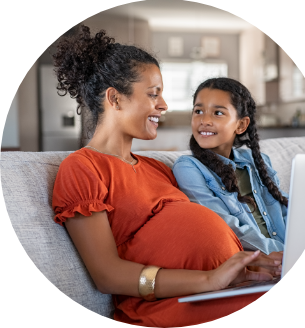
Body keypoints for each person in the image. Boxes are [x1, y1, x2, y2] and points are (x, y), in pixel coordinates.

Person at [51, 26, 282, 328]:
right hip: (169, 305)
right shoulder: (82, 167)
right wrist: (208, 279)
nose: (164, 105)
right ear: (115, 99)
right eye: (153, 94)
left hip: (221, 290)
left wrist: (249, 267)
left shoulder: (156, 168)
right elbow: (106, 275)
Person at [173, 77, 289, 257]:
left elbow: (286, 211)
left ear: (241, 125)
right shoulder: (188, 168)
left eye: (217, 113)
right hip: (259, 262)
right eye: (198, 111)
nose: (204, 120)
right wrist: (283, 253)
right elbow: (224, 225)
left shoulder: (258, 161)